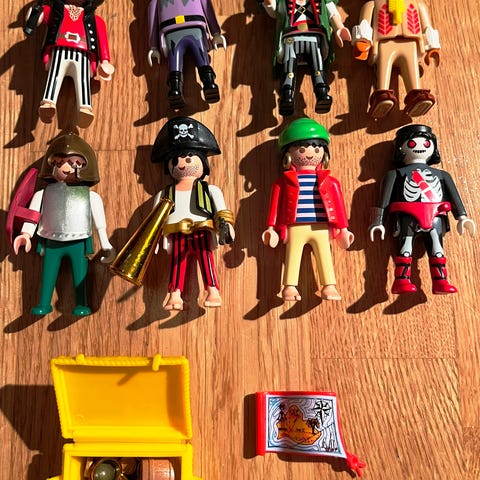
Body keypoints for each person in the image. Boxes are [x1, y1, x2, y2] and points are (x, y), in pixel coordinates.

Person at [13, 134, 115, 315]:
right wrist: (26, 234)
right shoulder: (43, 194)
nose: (66, 168)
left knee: (80, 274)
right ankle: (44, 303)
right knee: (48, 273)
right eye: (59, 163)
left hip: (79, 241)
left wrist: (105, 242)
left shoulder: (91, 196)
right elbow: (33, 216)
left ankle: (81, 304)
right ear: (51, 166)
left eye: (75, 163)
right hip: (51, 241)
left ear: (86, 166)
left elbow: (100, 223)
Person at [369, 124, 476, 294]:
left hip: (435, 217)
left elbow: (454, 196)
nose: (419, 147)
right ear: (400, 148)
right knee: (405, 248)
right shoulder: (394, 175)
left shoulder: (442, 175)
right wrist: (378, 221)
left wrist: (462, 217)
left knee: (437, 249)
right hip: (407, 216)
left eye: (426, 144)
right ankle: (401, 281)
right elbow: (384, 199)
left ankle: (440, 281)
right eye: (412, 144)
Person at [262, 117, 354, 301]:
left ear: (324, 154)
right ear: (288, 155)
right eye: (302, 149)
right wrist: (271, 228)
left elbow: (339, 206)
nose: (310, 154)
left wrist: (343, 229)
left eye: (317, 149)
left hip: (322, 226)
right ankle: (289, 287)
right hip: (294, 225)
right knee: (293, 254)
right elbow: (275, 206)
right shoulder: (282, 182)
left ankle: (329, 286)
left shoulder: (331, 182)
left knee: (325, 254)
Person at [151, 117, 235, 310]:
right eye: (176, 161)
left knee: (206, 260)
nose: (182, 164)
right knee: (176, 264)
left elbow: (221, 211)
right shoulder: (164, 194)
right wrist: (153, 241)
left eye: (189, 159)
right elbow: (155, 221)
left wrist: (227, 227)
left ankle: (213, 290)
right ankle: (174, 295)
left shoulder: (210, 190)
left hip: (202, 232)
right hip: (177, 234)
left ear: (203, 163)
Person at [26, 0, 114, 127]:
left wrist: (105, 61)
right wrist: (35, 13)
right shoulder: (56, 11)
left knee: (83, 80)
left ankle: (85, 107)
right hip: (59, 48)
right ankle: (48, 103)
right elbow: (40, 16)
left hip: (83, 53)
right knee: (55, 75)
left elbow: (102, 39)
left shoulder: (95, 19)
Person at [262, 0, 351, 115]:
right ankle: (287, 96)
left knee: (317, 67)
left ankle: (322, 94)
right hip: (291, 37)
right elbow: (275, 12)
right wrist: (268, 2)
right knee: (289, 68)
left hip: (314, 35)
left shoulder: (321, 1)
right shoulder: (284, 1)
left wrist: (339, 28)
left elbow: (332, 13)